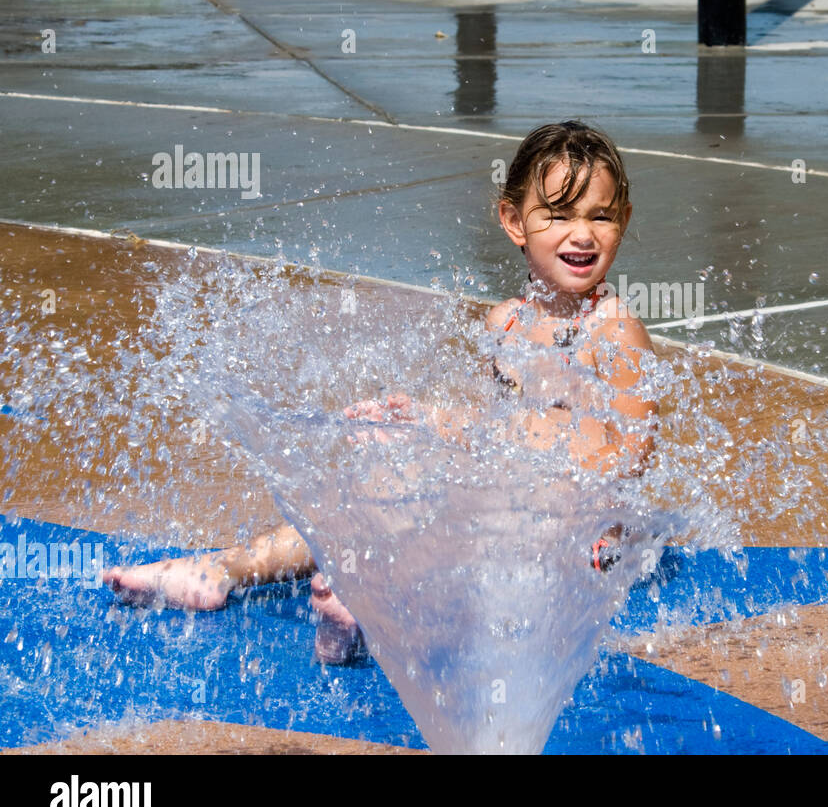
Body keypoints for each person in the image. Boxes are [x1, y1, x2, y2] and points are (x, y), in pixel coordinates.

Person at [105, 120, 658, 663]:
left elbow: (626, 458)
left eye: (600, 217)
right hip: (517, 511)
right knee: (377, 485)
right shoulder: (505, 324)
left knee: (479, 523)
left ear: (625, 221)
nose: (582, 234)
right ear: (515, 221)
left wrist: (463, 430)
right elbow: (489, 439)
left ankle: (372, 601)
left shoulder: (612, 331)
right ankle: (225, 567)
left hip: (584, 546)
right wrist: (415, 427)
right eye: (558, 215)